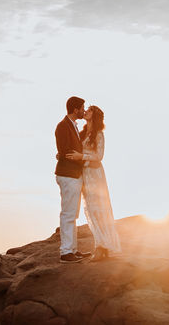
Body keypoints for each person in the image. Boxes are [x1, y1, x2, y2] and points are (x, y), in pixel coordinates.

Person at [66, 105, 121, 261]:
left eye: (89, 110)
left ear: (94, 115)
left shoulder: (98, 134)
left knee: (99, 208)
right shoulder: (82, 133)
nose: (85, 112)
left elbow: (99, 156)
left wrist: (81, 157)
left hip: (95, 174)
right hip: (84, 174)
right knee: (90, 209)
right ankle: (100, 245)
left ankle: (102, 247)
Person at [55, 95, 89, 263]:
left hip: (74, 175)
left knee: (72, 214)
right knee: (68, 214)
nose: (84, 110)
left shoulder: (73, 126)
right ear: (75, 109)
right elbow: (65, 152)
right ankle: (66, 252)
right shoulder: (62, 126)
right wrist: (81, 157)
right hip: (68, 175)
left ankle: (73, 250)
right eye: (82, 108)